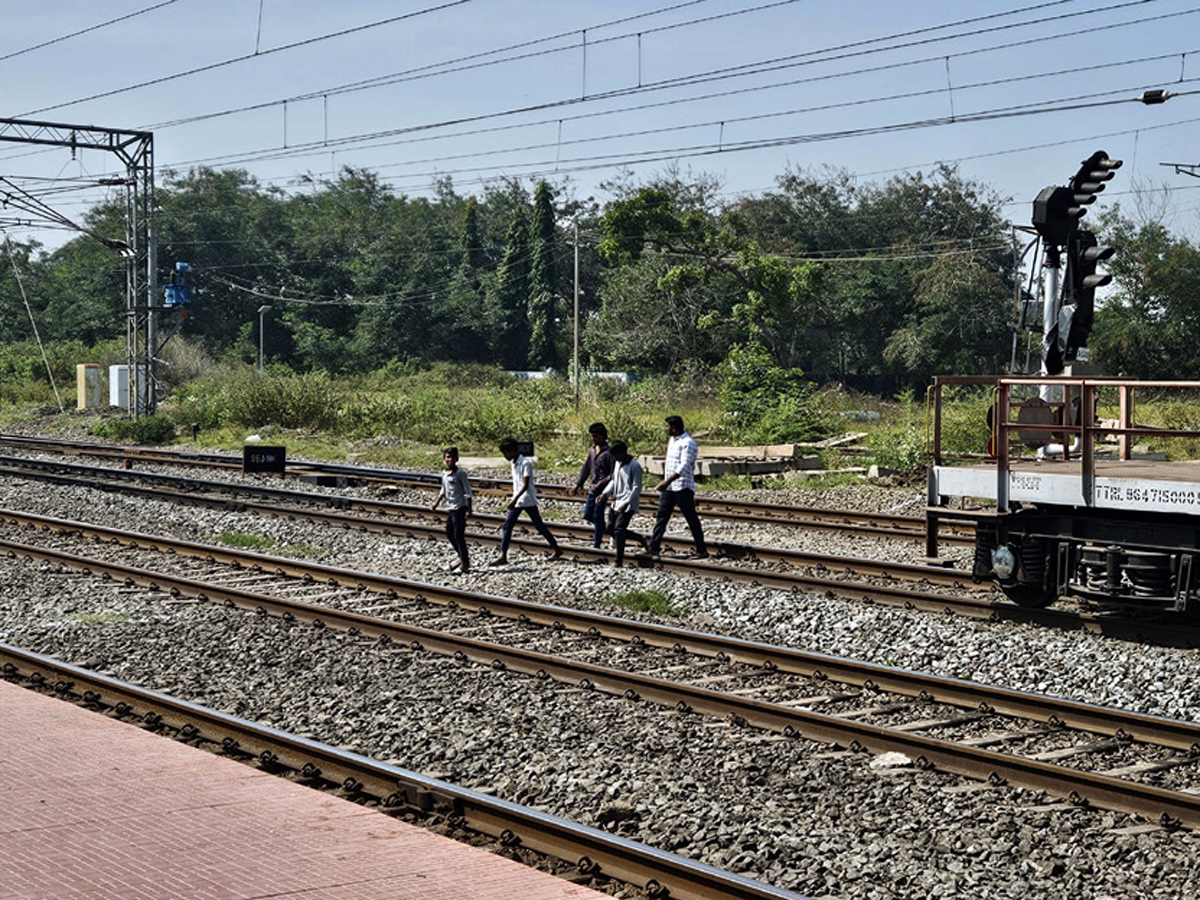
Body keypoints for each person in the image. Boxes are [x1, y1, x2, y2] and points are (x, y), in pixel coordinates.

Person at [646, 414, 708, 559]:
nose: (667, 429)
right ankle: (653, 548)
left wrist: (666, 481)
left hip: (683, 487)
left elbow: (684, 465)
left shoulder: (688, 443)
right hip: (669, 489)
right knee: (661, 517)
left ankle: (701, 549)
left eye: (669, 426)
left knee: (691, 518)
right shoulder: (673, 441)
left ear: (674, 428)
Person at [492, 436, 561, 565]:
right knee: (535, 525)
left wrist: (514, 500)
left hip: (525, 499)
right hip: (520, 499)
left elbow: (525, 484)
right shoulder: (514, 463)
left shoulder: (525, 463)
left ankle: (503, 556)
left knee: (510, 526)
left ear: (512, 451)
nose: (505, 456)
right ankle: (556, 548)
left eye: (506, 453)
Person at [596, 440, 643, 567]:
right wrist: (605, 493)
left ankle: (619, 560)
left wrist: (626, 503)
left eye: (617, 455)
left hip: (628, 504)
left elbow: (637, 488)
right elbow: (614, 480)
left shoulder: (634, 466)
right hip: (616, 502)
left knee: (619, 530)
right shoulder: (617, 463)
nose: (615, 458)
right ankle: (639, 538)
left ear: (623, 452)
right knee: (610, 528)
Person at [430, 447, 472, 574]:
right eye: (448, 457)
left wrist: (469, 509)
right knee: (449, 533)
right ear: (444, 459)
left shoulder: (460, 474)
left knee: (459, 535)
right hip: (450, 508)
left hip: (460, 507)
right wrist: (436, 503)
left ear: (457, 459)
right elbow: (444, 489)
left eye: (452, 457)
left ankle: (465, 564)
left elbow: (468, 492)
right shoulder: (444, 474)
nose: (450, 460)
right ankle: (461, 558)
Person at [572, 422, 614, 548]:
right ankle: (607, 530)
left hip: (602, 489)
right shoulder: (592, 450)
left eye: (596, 436)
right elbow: (586, 467)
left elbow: (613, 473)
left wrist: (603, 482)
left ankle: (597, 543)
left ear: (603, 436)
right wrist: (579, 483)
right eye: (593, 436)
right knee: (588, 515)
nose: (594, 439)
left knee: (597, 515)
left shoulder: (609, 453)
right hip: (592, 487)